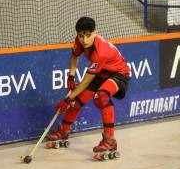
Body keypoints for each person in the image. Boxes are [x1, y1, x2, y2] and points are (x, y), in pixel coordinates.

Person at [47, 16, 131, 160]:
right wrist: (71, 77)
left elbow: (86, 81)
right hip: (101, 73)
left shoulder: (101, 52)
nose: (84, 40)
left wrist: (67, 98)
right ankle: (63, 131)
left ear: (95, 33)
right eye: (81, 36)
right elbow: (74, 57)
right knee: (77, 100)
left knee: (101, 96)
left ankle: (109, 139)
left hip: (118, 74)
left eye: (88, 35)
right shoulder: (79, 41)